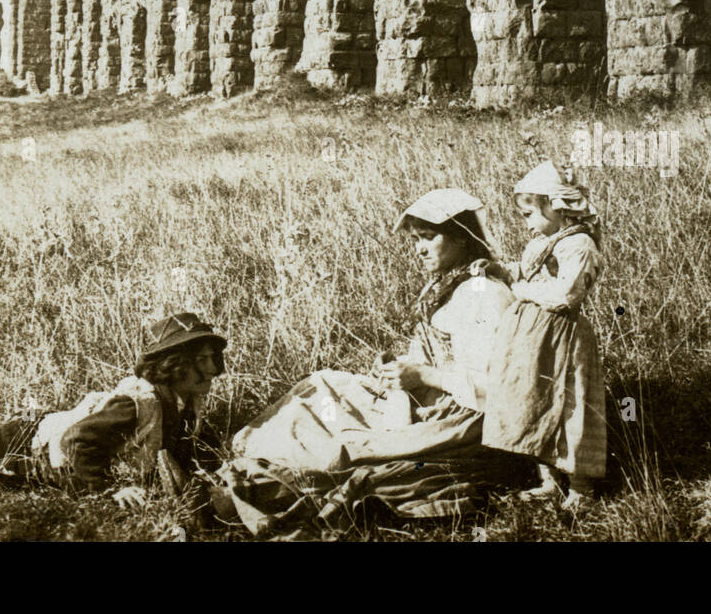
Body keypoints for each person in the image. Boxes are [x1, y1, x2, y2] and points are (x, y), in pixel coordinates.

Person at [213, 188, 520, 535]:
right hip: (426, 399)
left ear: (463, 240)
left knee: (346, 451)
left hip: (460, 421)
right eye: (415, 239)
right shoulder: (449, 284)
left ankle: (251, 483)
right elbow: (436, 353)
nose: (418, 249)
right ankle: (247, 457)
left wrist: (422, 374)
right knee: (322, 384)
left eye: (428, 237)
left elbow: (497, 390)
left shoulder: (485, 295)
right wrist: (399, 368)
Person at [0, 314, 227, 507]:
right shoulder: (137, 403)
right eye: (202, 360)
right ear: (173, 365)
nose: (212, 369)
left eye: (214, 359)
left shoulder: (180, 403)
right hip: (20, 449)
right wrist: (110, 490)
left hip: (35, 440)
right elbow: (81, 441)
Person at [483, 159, 606, 511]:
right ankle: (548, 480)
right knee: (535, 398)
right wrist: (501, 270)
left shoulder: (578, 245)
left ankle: (581, 487)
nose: (528, 224)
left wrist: (521, 290)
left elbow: (566, 295)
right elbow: (525, 273)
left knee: (570, 404)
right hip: (532, 336)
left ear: (557, 206)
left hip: (563, 335)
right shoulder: (541, 243)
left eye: (530, 214)